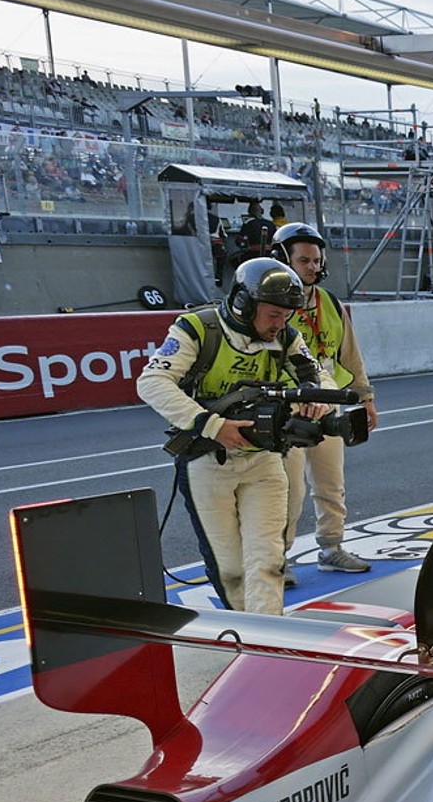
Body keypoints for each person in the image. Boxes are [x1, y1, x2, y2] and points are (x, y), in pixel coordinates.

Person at [136, 259, 324, 616]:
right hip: (206, 462)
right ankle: (248, 637)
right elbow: (151, 383)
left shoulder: (287, 336)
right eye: (272, 314)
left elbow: (316, 378)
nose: (279, 324)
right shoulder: (196, 329)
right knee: (231, 569)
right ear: (244, 303)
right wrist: (211, 425)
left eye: (286, 316)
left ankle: (268, 641)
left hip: (264, 460)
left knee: (268, 560)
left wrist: (314, 400)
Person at [273, 222, 376, 581]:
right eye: (304, 260)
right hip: (290, 413)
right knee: (289, 490)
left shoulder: (330, 303)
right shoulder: (269, 306)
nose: (313, 267)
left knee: (331, 483)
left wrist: (366, 399)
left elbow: (352, 356)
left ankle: (331, 547)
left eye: (316, 260)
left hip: (329, 404)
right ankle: (276, 560)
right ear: (282, 260)